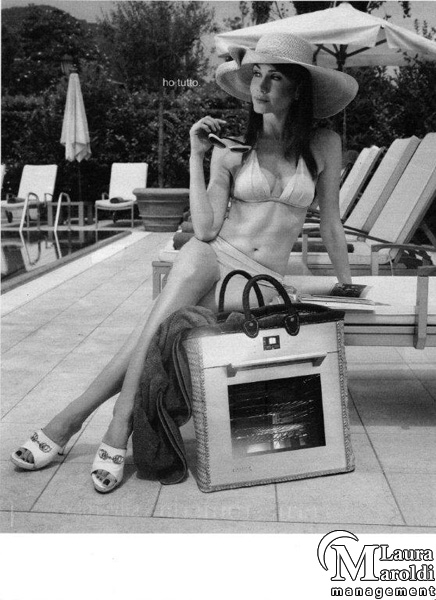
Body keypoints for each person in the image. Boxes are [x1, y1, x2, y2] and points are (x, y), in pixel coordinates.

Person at [11, 32, 358, 493]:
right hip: (213, 253)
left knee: (153, 326)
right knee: (187, 270)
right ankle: (117, 425)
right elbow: (207, 229)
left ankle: (73, 419)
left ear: (298, 88)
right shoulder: (232, 150)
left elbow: (331, 221)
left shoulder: (324, 143)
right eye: (256, 74)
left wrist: (347, 283)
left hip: (259, 279)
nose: (260, 86)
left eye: (275, 77)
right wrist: (196, 156)